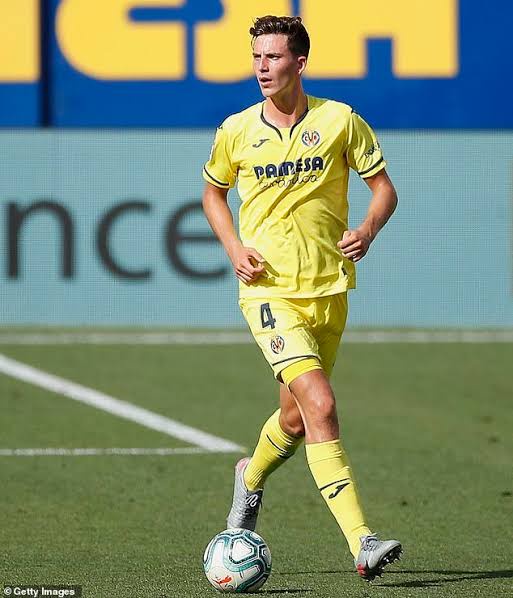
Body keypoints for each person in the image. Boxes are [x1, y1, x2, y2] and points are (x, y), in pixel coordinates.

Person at [202, 15, 401, 582]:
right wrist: (234, 247)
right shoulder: (237, 129)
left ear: (300, 62)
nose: (261, 67)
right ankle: (363, 542)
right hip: (268, 292)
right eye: (256, 56)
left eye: (273, 56)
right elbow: (213, 194)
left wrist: (367, 229)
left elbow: (384, 189)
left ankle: (249, 479)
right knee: (321, 405)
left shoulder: (340, 120)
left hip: (329, 289)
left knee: (293, 418)